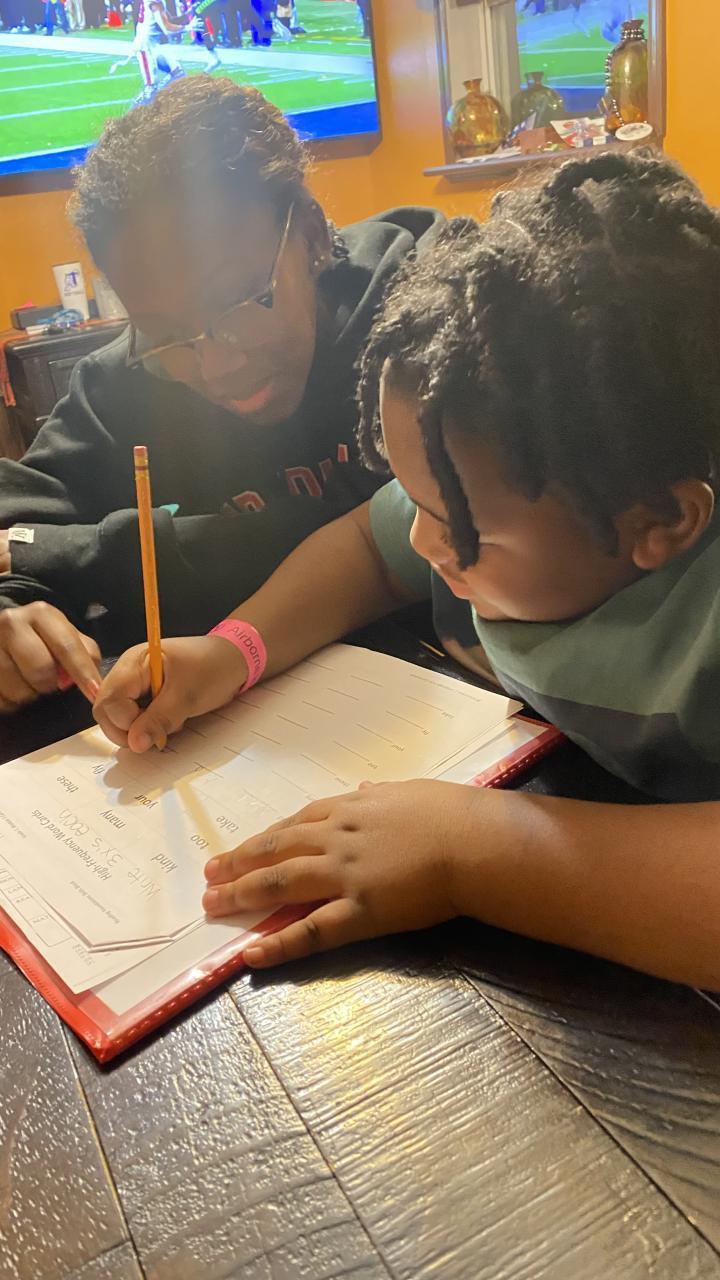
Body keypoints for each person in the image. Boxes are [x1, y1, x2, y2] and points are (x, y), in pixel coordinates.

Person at [94, 149, 720, 990]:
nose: (422, 541)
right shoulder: (483, 474)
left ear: (660, 524)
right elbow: (366, 544)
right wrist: (233, 650)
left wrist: (470, 851)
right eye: (414, 498)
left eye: (459, 529)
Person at [0, 77, 443, 714]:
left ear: (312, 234)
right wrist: (15, 605)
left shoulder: (434, 311)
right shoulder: (123, 379)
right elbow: (14, 523)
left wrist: (85, 553)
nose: (217, 366)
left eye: (240, 301)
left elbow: (395, 535)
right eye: (164, 335)